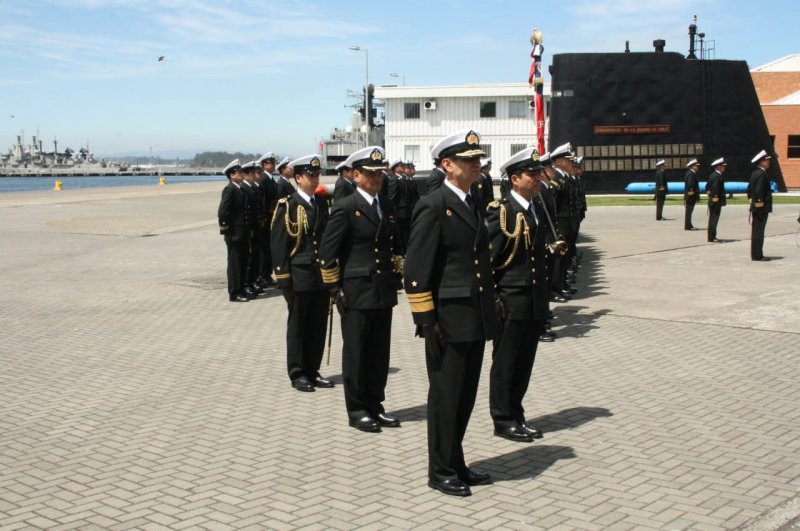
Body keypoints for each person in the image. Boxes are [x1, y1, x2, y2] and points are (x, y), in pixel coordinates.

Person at [404, 129, 499, 497]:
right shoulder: (433, 204)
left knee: (465, 396)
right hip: (447, 319)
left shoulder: (471, 199)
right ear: (447, 164)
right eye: (469, 160)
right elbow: (416, 269)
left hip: (473, 316)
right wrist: (426, 322)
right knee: (446, 397)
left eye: (478, 160)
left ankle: (456, 462)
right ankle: (440, 470)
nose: (477, 165)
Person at [319, 146, 403, 433]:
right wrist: (334, 288)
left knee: (379, 354)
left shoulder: (386, 204)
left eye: (380, 173)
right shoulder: (345, 206)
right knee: (356, 353)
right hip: (356, 291)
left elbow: (393, 246)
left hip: (382, 289)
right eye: (371, 173)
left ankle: (375, 405)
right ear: (356, 175)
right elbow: (328, 253)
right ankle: (357, 410)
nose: (377, 178)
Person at [486, 148, 566, 444]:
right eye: (531, 174)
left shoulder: (532, 208)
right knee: (506, 361)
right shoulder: (502, 211)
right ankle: (503, 419)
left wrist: (548, 250)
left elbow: (526, 254)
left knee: (524, 362)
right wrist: (495, 299)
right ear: (514, 178)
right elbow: (490, 259)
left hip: (533, 298)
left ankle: (516, 413)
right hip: (511, 300)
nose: (537, 178)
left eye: (538, 173)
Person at [270, 154, 334, 392]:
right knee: (298, 326)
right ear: (298, 178)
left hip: (319, 274)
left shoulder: (319, 203)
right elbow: (279, 244)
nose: (315, 179)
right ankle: (297, 372)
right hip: (299, 275)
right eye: (310, 175)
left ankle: (312, 369)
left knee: (318, 324)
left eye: (317, 175)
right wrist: (283, 278)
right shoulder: (288, 205)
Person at [218, 159, 249, 302]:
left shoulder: (239, 188)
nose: (241, 174)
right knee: (235, 264)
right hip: (234, 233)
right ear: (231, 175)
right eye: (238, 172)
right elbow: (223, 212)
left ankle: (241, 288)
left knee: (242, 262)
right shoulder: (229, 189)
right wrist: (227, 231)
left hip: (242, 232)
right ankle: (234, 292)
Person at [240, 161, 264, 298]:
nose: (254, 176)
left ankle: (252, 281)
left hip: (256, 227)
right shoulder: (244, 188)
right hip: (250, 228)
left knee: (255, 256)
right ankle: (247, 283)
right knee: (249, 258)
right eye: (251, 173)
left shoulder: (253, 187)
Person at [257, 153, 279, 288]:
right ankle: (263, 275)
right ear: (264, 165)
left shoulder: (270, 179)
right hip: (267, 218)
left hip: (272, 217)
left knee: (269, 248)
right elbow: (263, 200)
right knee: (264, 249)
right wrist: (264, 217)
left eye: (274, 162)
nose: (273, 165)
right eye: (271, 163)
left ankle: (267, 274)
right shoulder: (264, 179)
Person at [748, 150, 773, 261]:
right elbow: (758, 191)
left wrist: (751, 200)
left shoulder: (754, 173)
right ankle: (757, 255)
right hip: (761, 208)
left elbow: (749, 189)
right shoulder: (762, 174)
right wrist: (759, 204)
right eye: (767, 160)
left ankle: (756, 254)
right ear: (762, 161)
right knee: (759, 232)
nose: (769, 162)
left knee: (756, 231)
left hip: (757, 206)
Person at [706, 157, 727, 242]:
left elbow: (707, 186)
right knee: (713, 219)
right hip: (715, 201)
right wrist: (714, 198)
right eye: (723, 166)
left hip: (715, 200)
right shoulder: (716, 176)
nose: (724, 168)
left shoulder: (714, 175)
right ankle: (711, 236)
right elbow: (714, 188)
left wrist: (709, 192)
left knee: (713, 219)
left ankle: (712, 235)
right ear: (718, 166)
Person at [684, 159, 700, 230]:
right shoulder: (691, 174)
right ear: (692, 166)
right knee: (689, 211)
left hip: (690, 195)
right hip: (691, 196)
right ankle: (688, 226)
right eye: (696, 166)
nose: (697, 167)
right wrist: (693, 195)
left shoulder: (690, 173)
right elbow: (690, 186)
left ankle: (689, 224)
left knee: (689, 212)